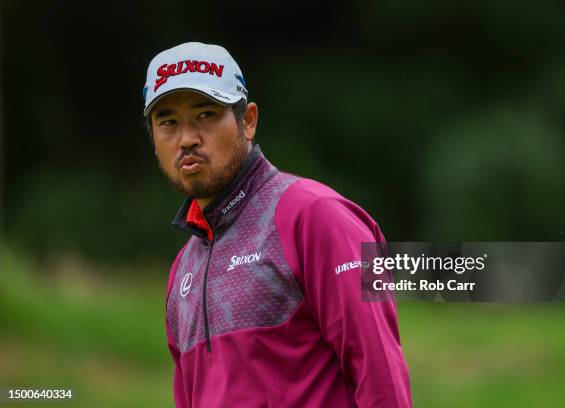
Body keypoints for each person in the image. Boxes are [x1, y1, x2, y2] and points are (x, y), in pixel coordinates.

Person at [142, 42, 412, 407]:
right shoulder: (181, 272)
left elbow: (381, 376)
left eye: (206, 114)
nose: (187, 138)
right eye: (168, 122)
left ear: (248, 121)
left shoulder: (318, 216)